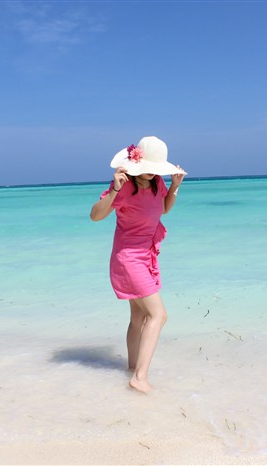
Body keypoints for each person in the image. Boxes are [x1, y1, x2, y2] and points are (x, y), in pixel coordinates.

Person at [90, 136, 185, 393]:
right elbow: (95, 216)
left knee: (139, 316)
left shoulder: (156, 183)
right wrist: (114, 190)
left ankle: (132, 369)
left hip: (147, 255)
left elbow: (163, 209)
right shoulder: (124, 186)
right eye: (150, 166)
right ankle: (140, 378)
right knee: (159, 315)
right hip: (128, 258)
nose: (153, 172)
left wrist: (175, 186)